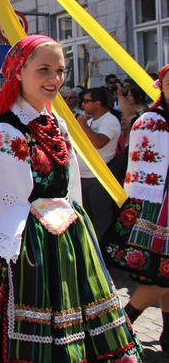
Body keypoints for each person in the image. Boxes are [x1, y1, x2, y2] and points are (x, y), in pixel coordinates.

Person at [0, 35, 141, 362]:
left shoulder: (55, 122)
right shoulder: (2, 133)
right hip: (25, 252)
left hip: (68, 239)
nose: (54, 79)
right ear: (18, 71)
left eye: (59, 70)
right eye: (43, 69)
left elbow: (69, 184)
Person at [101, 63, 169, 354]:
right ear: (161, 87)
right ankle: (121, 323)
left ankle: (167, 332)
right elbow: (145, 170)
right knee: (163, 274)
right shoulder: (153, 121)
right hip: (159, 205)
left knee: (164, 274)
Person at [76, 87, 121, 236]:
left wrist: (82, 125)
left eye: (87, 101)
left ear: (98, 103)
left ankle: (103, 255)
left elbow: (99, 142)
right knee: (86, 219)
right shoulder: (89, 121)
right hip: (83, 176)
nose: (83, 104)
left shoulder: (110, 120)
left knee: (101, 220)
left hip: (98, 178)